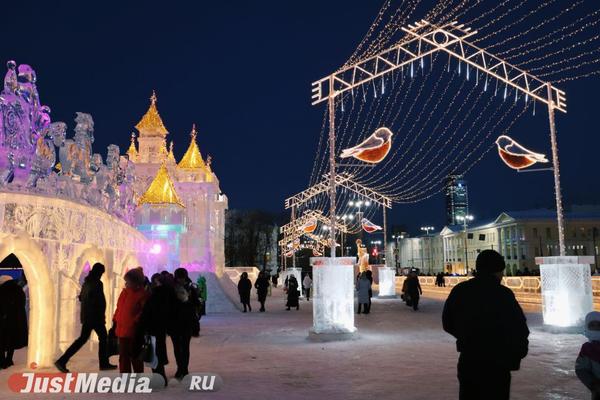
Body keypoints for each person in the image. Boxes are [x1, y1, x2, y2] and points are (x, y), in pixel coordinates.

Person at [442, 250, 529, 400]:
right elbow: (519, 328)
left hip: (469, 361)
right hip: (497, 363)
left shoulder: (461, 291)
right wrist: (516, 354)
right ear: (496, 271)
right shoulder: (503, 294)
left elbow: (448, 322)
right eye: (501, 271)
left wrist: (466, 337)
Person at [55, 264, 115, 373]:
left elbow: (81, 298)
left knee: (83, 339)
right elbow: (99, 302)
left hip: (88, 316)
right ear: (99, 272)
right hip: (95, 317)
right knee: (102, 338)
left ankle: (62, 360)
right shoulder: (97, 283)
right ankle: (104, 363)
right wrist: (101, 316)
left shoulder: (87, 282)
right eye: (101, 273)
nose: (102, 275)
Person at [141, 273, 176, 386]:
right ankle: (160, 377)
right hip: (160, 327)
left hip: (154, 327)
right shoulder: (167, 293)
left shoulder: (157, 294)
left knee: (154, 353)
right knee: (158, 352)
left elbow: (149, 311)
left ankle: (159, 378)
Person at [113, 267, 149, 373]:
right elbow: (119, 308)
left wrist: (135, 321)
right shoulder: (124, 293)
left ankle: (138, 379)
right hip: (122, 329)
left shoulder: (142, 295)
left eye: (128, 282)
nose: (126, 284)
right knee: (123, 357)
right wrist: (115, 320)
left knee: (135, 356)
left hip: (134, 331)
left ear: (136, 282)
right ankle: (125, 378)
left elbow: (144, 312)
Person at [171, 267, 199, 380]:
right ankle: (179, 368)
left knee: (185, 346)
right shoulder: (172, 288)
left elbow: (196, 303)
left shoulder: (191, 287)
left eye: (182, 278)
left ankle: (185, 368)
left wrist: (189, 300)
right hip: (175, 322)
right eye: (179, 278)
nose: (181, 280)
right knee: (177, 347)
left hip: (187, 321)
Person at [0, 275, 27, 369]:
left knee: (2, 340)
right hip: (17, 319)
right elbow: (23, 303)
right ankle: (9, 359)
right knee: (12, 340)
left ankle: (2, 361)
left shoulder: (2, 290)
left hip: (4, 320)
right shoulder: (19, 289)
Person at [576, 311, 600, 400]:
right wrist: (594, 384)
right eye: (592, 325)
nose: (596, 328)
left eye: (598, 325)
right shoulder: (587, 349)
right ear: (587, 326)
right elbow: (581, 369)